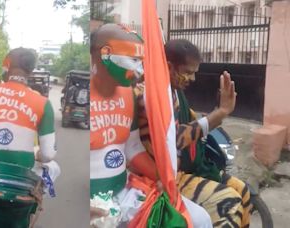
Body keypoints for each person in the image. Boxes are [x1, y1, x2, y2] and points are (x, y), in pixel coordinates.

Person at [90, 24, 212, 228]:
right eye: (133, 61)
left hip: (125, 194)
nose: (139, 70)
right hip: (92, 204)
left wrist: (163, 178)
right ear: (105, 54)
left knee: (199, 219)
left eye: (141, 62)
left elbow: (133, 148)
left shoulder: (127, 94)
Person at [135, 39, 250, 227]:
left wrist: (217, 113)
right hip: (157, 178)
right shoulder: (147, 93)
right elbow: (172, 138)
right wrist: (220, 113)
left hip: (178, 171)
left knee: (242, 189)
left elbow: (189, 125)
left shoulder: (172, 91)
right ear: (169, 66)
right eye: (188, 72)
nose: (193, 79)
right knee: (228, 201)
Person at [0, 48, 59, 225]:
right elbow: (48, 154)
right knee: (52, 168)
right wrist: (35, 154)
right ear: (31, 71)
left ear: (7, 65)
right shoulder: (43, 103)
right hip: (20, 180)